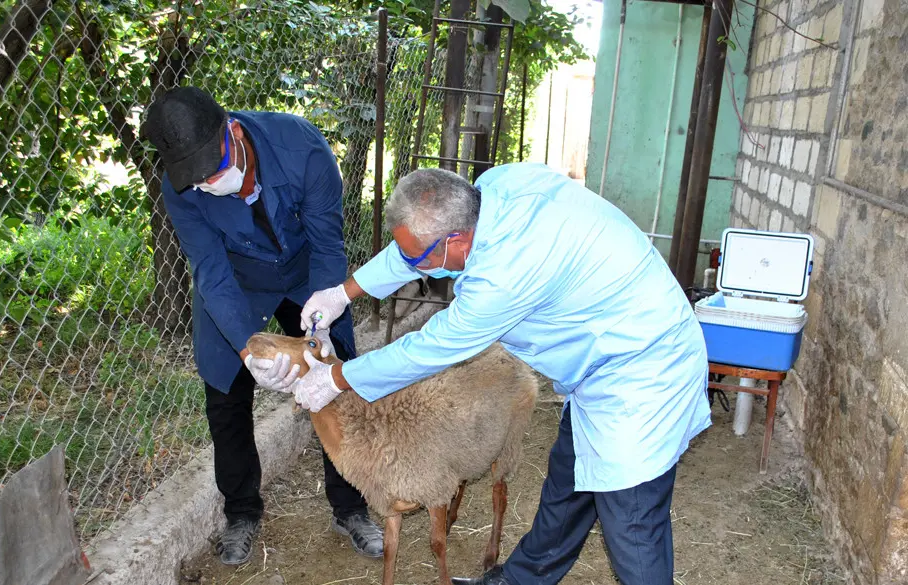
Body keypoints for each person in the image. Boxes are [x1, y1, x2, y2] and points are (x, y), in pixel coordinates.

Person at [293, 164, 711, 585]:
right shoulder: (490, 192)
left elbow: (432, 348)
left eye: (420, 260)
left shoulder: (505, 274)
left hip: (643, 368)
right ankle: (519, 580)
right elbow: (416, 250)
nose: (414, 266)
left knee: (632, 520)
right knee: (570, 483)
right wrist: (342, 293)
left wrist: (337, 378)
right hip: (605, 361)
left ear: (458, 240)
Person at [139, 86, 384, 566]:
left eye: (211, 168)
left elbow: (328, 245)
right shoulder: (180, 189)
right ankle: (241, 514)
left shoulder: (303, 150)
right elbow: (210, 269)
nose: (206, 183)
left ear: (232, 131)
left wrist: (321, 323)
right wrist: (246, 351)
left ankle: (351, 506)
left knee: (338, 377)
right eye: (195, 177)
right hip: (237, 285)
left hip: (306, 275)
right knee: (225, 395)